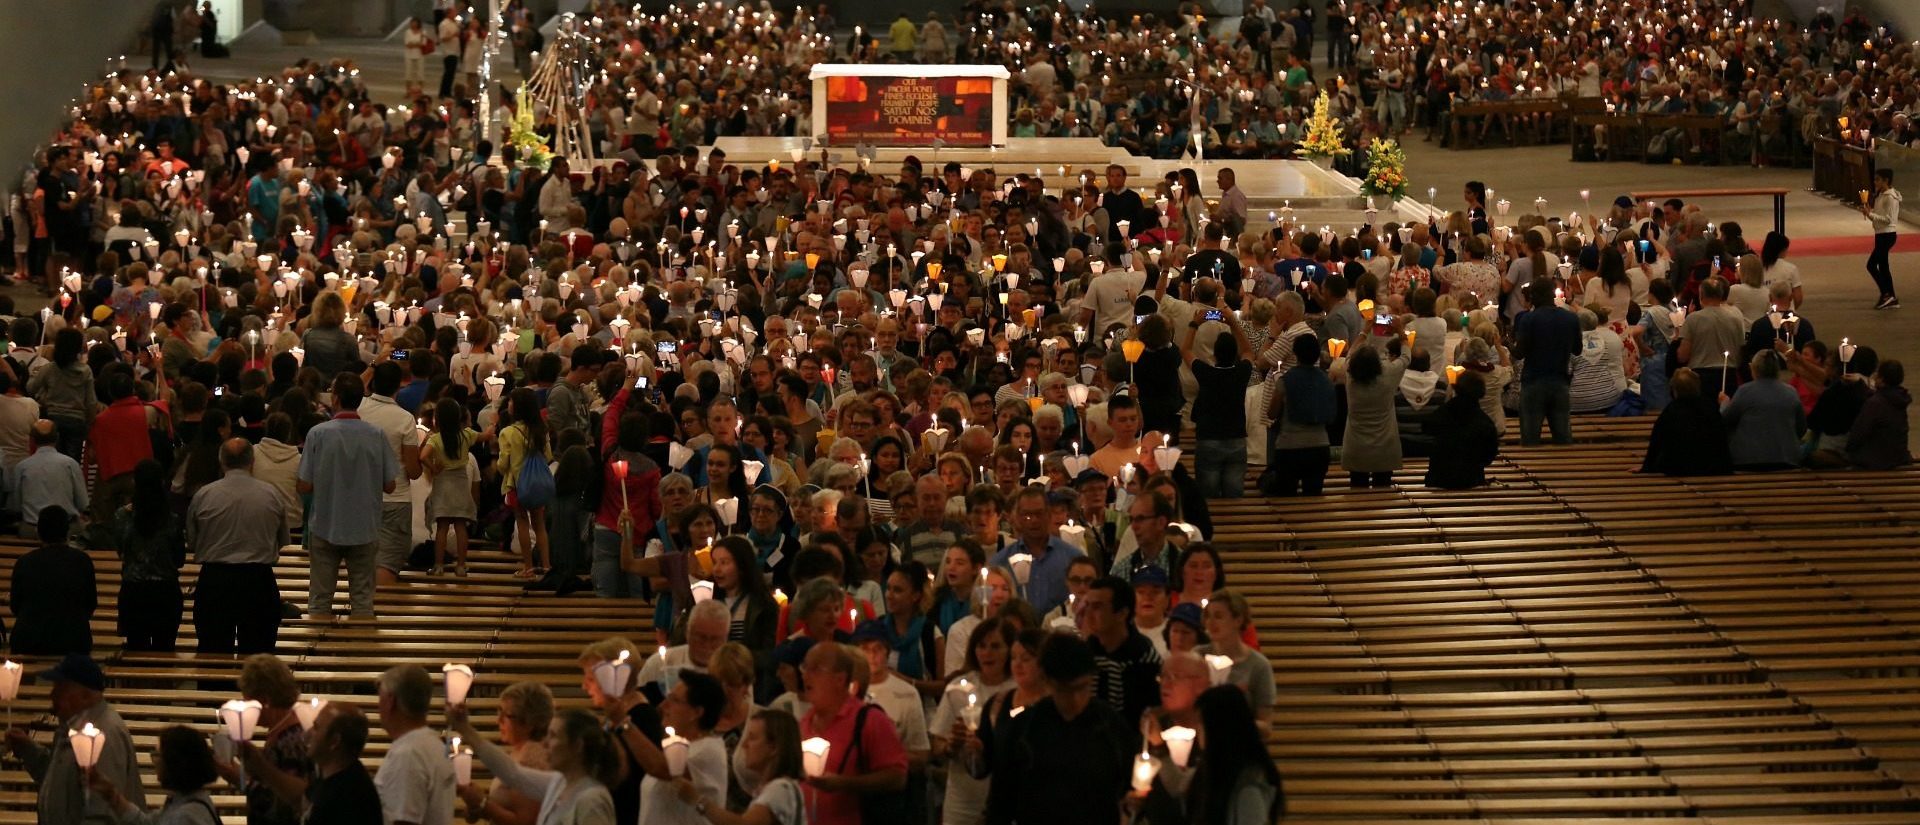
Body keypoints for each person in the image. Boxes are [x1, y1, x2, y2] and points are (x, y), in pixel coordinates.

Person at [983, 633, 1138, 825]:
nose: (1075, 700)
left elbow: (1131, 785)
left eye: (1082, 688)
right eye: (1065, 690)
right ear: (1047, 681)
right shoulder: (1024, 729)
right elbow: (1000, 801)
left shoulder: (1110, 725)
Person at [300, 373, 400, 619]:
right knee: (363, 600)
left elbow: (303, 485)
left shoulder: (318, 433)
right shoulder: (375, 435)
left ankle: (315, 651)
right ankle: (361, 645)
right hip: (364, 525)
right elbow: (390, 485)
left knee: (320, 600)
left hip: (325, 522)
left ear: (335, 399)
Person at [2, 654, 147, 823]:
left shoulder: (103, 737)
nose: (52, 695)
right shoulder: (71, 728)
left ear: (85, 695)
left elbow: (103, 813)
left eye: (60, 688)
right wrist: (29, 750)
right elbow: (60, 782)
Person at [188, 438, 290, 656]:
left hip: (215, 580)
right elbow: (282, 541)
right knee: (258, 657)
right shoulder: (271, 494)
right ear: (252, 461)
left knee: (212, 654)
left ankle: (213, 689)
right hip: (257, 580)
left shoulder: (204, 495)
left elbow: (194, 542)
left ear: (221, 461)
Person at [446, 701, 620, 825]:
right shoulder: (558, 783)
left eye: (553, 736)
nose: (545, 743)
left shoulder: (592, 799)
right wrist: (465, 729)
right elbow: (512, 773)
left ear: (577, 745)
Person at [797, 642, 909, 825]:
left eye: (815, 669)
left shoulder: (869, 720)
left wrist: (845, 783)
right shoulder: (804, 722)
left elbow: (897, 777)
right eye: (804, 667)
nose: (805, 675)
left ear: (840, 679)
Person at [239, 702, 385, 825]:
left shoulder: (347, 795)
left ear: (335, 741)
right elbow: (302, 799)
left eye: (316, 727)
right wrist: (260, 765)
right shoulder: (338, 776)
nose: (306, 734)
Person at [674, 709, 807, 825]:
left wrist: (697, 800)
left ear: (773, 748)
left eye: (753, 738)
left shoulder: (780, 788)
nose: (744, 745)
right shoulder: (774, 789)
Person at [225, 654, 312, 825]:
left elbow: (285, 806)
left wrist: (240, 779)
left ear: (265, 700)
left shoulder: (291, 740)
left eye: (247, 699)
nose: (245, 705)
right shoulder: (284, 728)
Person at [1182, 295, 1254, 498]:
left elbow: (1185, 350)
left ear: (1214, 354)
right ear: (1234, 355)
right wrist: (1233, 322)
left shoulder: (1207, 374)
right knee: (1234, 495)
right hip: (1236, 439)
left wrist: (1194, 324)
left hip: (1208, 438)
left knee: (1209, 497)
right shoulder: (1241, 373)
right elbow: (1248, 351)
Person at [360, 361, 424, 587]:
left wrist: (372, 365)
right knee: (386, 566)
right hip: (396, 498)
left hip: (360, 496)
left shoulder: (358, 408)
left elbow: (351, 388)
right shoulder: (404, 419)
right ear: (399, 386)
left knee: (361, 562)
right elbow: (414, 471)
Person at [109, 459, 183, 651]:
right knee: (165, 651)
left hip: (134, 592)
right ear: (161, 483)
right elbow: (179, 559)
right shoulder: (172, 519)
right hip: (165, 593)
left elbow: (121, 551)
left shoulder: (121, 517)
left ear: (135, 482)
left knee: (135, 651)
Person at [453, 681, 552, 824]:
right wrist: (476, 805)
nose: (498, 720)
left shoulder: (532, 760)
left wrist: (482, 803)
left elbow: (525, 821)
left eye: (507, 715)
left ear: (529, 723)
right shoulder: (520, 751)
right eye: (499, 712)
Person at [1187, 686, 1286, 825]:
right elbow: (1179, 784)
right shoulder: (1215, 771)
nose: (1198, 731)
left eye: (1201, 723)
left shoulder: (1248, 789)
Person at [374, 665, 458, 825]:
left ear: (390, 701)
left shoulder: (408, 754)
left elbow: (405, 820)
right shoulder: (435, 745)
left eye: (381, 697)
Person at [88, 725, 219, 824]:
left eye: (157, 755)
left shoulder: (185, 817)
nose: (154, 762)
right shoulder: (186, 800)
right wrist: (111, 795)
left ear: (175, 762)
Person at [10, 505, 95, 655]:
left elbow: (15, 606)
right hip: (73, 639)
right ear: (67, 531)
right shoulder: (82, 561)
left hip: (30, 639)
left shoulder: (25, 562)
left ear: (39, 532)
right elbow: (90, 604)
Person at [1079, 575, 1163, 724]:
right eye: (1088, 605)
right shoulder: (1084, 655)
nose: (1089, 614)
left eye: (1097, 607)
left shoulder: (1144, 659)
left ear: (1122, 613)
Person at [989, 486, 1083, 615]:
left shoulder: (1071, 557)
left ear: (1049, 515)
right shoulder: (1001, 562)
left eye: (1039, 514)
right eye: (1027, 515)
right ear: (1018, 518)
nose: (1033, 520)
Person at [1512, 279, 1580, 445]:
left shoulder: (1529, 319)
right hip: (1560, 381)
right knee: (1563, 438)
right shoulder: (1570, 318)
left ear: (1534, 296)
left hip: (1533, 382)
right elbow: (1577, 350)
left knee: (1530, 439)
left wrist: (1506, 344)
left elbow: (1519, 354)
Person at [1721, 350, 1806, 470]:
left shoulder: (1745, 391)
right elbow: (1801, 428)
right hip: (1786, 459)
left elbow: (1725, 420)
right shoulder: (1791, 392)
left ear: (1753, 368)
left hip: (1748, 460)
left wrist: (1724, 403)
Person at [1640, 368, 1733, 476]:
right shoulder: (1709, 408)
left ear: (1674, 390)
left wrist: (1647, 467)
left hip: (1677, 467)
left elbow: (1656, 442)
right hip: (1710, 466)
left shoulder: (1671, 411)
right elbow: (1721, 438)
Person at [1338, 344, 1407, 487]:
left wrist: (1364, 331)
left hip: (1356, 445)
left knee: (1357, 493)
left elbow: (1349, 354)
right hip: (1385, 445)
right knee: (1383, 491)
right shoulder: (1389, 375)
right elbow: (1406, 357)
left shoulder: (1350, 378)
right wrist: (1401, 333)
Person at [12, 419, 87, 537]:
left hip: (33, 529)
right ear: (57, 438)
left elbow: (15, 506)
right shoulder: (70, 464)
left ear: (32, 440)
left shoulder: (22, 467)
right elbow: (82, 503)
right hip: (66, 528)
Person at [1423, 371, 1499, 489]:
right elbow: (1489, 454)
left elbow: (1426, 429)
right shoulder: (1484, 421)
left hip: (1439, 478)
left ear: (1457, 388)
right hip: (1471, 480)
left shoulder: (1442, 413)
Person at [1863, 168, 1902, 309]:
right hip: (1881, 234)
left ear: (1886, 180)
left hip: (1887, 234)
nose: (1875, 182)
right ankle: (1890, 295)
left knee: (1871, 265)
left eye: (1878, 179)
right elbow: (1881, 214)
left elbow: (1888, 219)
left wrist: (1870, 215)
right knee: (1884, 267)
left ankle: (1887, 294)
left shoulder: (1890, 198)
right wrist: (1871, 211)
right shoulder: (1881, 195)